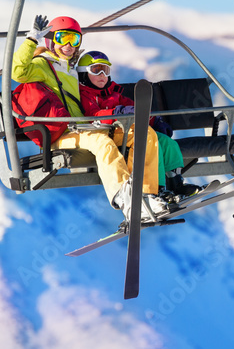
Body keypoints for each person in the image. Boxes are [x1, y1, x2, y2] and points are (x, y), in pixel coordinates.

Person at [11, 14, 168, 221]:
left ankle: (147, 194)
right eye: (62, 38)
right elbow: (18, 72)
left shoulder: (70, 69)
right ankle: (126, 198)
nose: (68, 45)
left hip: (85, 128)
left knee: (143, 134)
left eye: (74, 40)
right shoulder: (42, 64)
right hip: (62, 133)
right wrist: (32, 40)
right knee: (102, 142)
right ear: (50, 40)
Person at [77, 50, 202, 202]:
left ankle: (176, 183)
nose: (103, 74)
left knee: (166, 142)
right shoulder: (85, 95)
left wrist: (153, 120)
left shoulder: (114, 93)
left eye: (106, 70)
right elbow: (93, 116)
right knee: (148, 139)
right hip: (109, 133)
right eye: (97, 70)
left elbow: (135, 109)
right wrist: (117, 112)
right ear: (83, 74)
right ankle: (157, 190)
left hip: (126, 130)